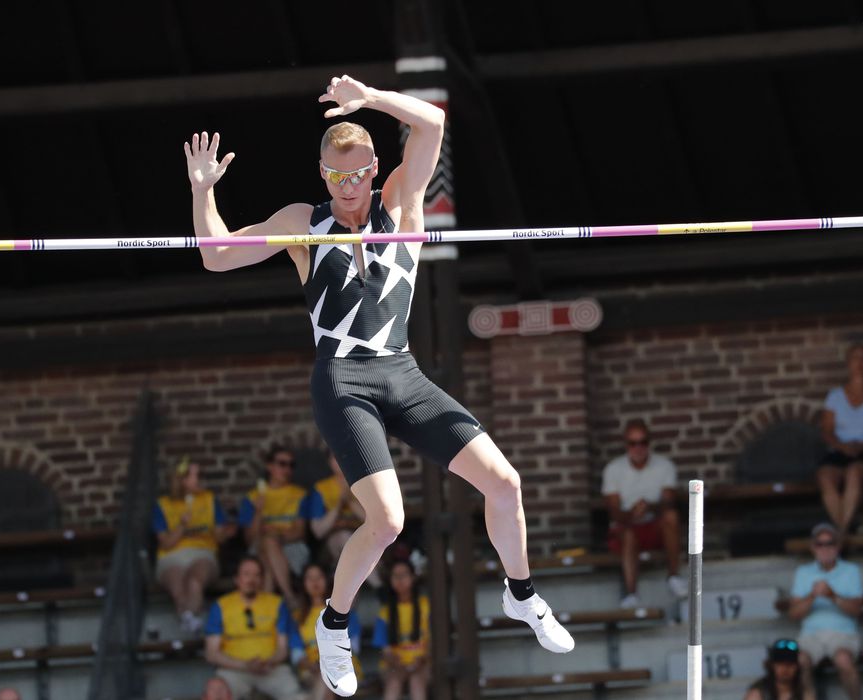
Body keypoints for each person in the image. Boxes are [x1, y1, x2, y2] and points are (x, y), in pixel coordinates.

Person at [185, 75, 574, 695]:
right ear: (322, 175)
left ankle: (521, 595)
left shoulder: (403, 201)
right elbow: (216, 255)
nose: (349, 187)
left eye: (359, 173)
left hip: (402, 372)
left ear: (373, 168)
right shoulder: (304, 223)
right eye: (337, 177)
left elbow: (433, 125)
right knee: (387, 520)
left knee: (505, 482)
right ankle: (333, 626)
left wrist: (370, 100)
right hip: (343, 379)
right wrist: (204, 194)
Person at [602, 418, 685, 608]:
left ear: (649, 443)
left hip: (654, 527)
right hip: (626, 529)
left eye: (643, 442)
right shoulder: (613, 469)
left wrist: (650, 507)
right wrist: (632, 514)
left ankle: (673, 576)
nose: (638, 448)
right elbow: (614, 512)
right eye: (633, 443)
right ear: (626, 445)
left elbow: (669, 502)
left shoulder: (665, 466)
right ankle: (632, 594)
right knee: (628, 532)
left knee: (671, 517)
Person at [204, 556, 306, 700]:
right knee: (214, 690)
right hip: (235, 670)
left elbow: (282, 649)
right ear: (236, 579)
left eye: (257, 575)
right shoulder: (221, 606)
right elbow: (212, 653)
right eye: (246, 574)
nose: (251, 579)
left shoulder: (276, 604)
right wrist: (245, 665)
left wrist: (268, 662)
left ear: (262, 580)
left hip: (271, 668)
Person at [153, 457, 236, 635]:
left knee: (194, 581)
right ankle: (192, 622)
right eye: (196, 475)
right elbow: (166, 543)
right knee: (177, 585)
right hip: (171, 555)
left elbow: (220, 537)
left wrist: (225, 532)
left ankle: (188, 622)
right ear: (181, 480)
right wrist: (182, 526)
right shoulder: (164, 505)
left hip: (203, 552)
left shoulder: (209, 499)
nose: (201, 479)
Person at [817, 344, 863, 533]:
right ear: (848, 364)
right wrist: (843, 447)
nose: (860, 363)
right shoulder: (834, 397)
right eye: (855, 358)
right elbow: (826, 431)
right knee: (825, 476)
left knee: (853, 473)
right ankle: (845, 530)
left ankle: (839, 535)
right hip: (840, 451)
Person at [787, 523, 863, 700]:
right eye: (820, 544)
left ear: (838, 546)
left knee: (843, 660)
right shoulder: (803, 572)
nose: (825, 548)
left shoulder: (851, 570)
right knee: (799, 661)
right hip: (810, 635)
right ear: (813, 547)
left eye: (830, 543)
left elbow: (857, 610)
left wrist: (832, 595)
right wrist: (812, 596)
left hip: (843, 633)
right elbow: (793, 614)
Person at [239, 445, 313, 603]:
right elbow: (250, 539)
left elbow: (300, 533)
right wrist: (258, 512)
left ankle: (268, 608)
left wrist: (276, 535)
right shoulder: (253, 497)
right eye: (282, 464)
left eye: (291, 465)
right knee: (267, 546)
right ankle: (290, 596)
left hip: (293, 548)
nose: (287, 469)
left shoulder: (299, 494)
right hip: (260, 547)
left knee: (267, 552)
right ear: (269, 466)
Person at [288, 563, 362, 700]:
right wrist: (313, 666)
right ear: (303, 583)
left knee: (325, 678)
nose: (315, 582)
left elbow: (354, 648)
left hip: (343, 668)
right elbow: (296, 654)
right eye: (310, 578)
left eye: (319, 577)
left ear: (327, 580)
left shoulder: (343, 611)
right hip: (310, 669)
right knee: (323, 678)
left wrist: (327, 666)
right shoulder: (297, 617)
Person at [306, 451, 376, 588]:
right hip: (331, 546)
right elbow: (318, 531)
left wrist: (349, 500)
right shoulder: (321, 488)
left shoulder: (365, 483)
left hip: (367, 539)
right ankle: (378, 585)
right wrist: (339, 505)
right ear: (329, 462)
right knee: (344, 538)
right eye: (334, 456)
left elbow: (374, 521)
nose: (340, 459)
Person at [373, 560, 430, 700]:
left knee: (417, 682)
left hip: (423, 663)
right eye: (395, 576)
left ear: (413, 577)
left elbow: (432, 642)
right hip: (393, 665)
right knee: (393, 683)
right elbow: (385, 651)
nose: (400, 580)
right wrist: (397, 663)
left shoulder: (425, 606)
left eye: (404, 575)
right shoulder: (384, 612)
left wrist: (422, 660)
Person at [743, 638, 813, 700]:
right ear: (771, 665)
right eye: (780, 664)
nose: (785, 668)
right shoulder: (758, 692)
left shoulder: (803, 692)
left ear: (797, 666)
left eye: (790, 664)